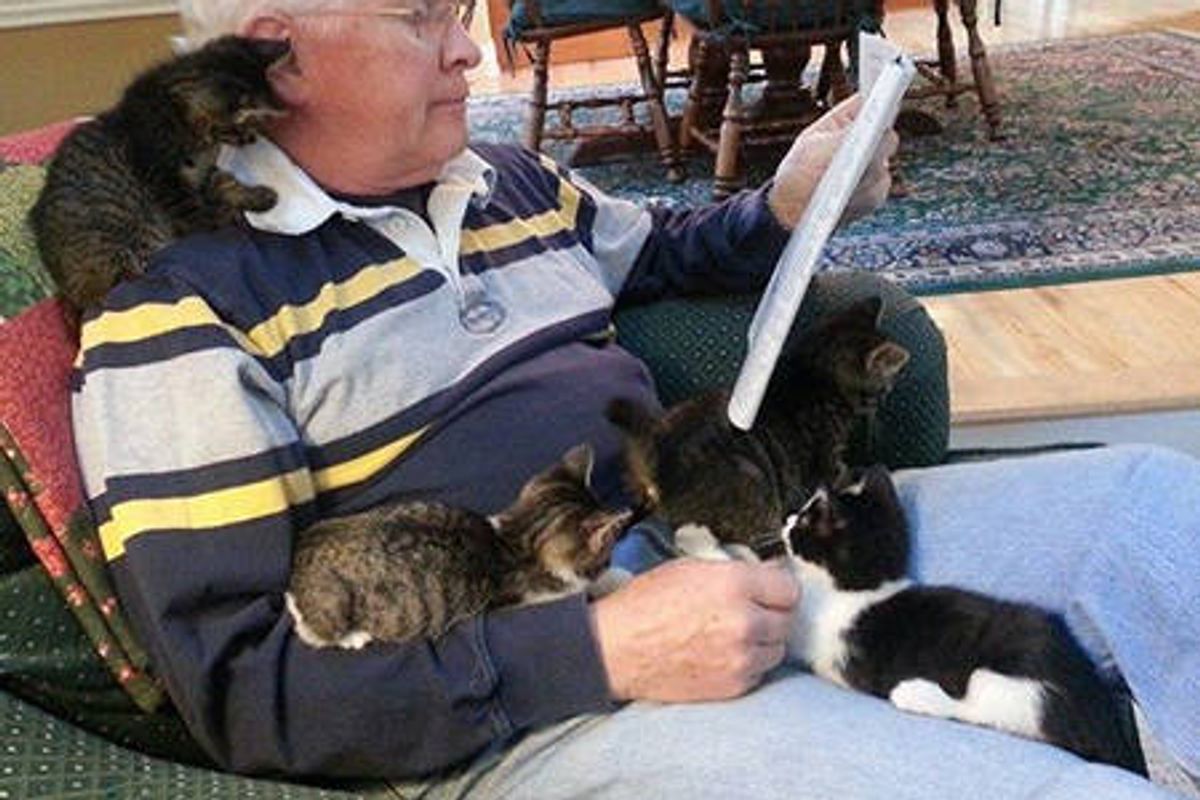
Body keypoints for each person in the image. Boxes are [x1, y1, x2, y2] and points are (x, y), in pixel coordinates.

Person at [70, 0, 1199, 797]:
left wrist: (791, 202)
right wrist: (602, 649)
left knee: (1157, 512)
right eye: (420, 17)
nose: (469, 47)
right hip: (549, 702)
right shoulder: (178, 316)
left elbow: (660, 253)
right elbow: (243, 689)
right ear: (279, 56)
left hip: (748, 539)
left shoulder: (509, 181)